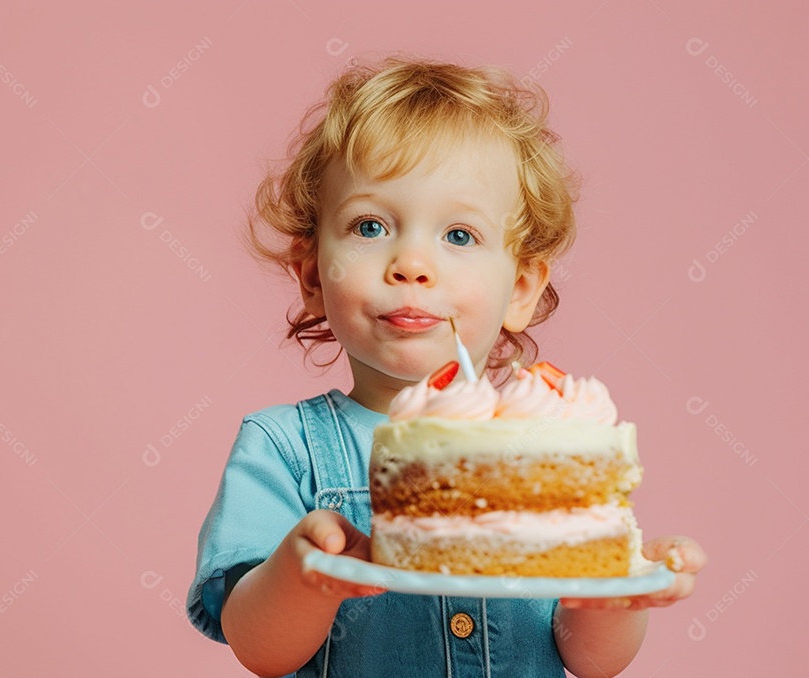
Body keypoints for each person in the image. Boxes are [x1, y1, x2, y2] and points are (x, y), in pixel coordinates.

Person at [186, 54, 706, 678]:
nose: (412, 264)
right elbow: (259, 648)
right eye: (371, 225)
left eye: (458, 235)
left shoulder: (551, 444)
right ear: (312, 277)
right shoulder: (283, 448)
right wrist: (303, 577)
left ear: (520, 288)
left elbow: (592, 659)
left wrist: (616, 597)